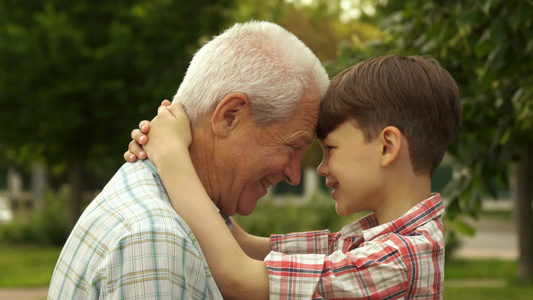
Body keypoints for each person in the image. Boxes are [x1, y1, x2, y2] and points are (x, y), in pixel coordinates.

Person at [126, 54, 462, 299]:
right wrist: (191, 156)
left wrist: (171, 156)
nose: (321, 168)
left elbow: (239, 278)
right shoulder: (367, 240)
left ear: (386, 146)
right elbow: (241, 246)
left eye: (330, 149)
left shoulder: (396, 261)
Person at [48, 20, 329, 299]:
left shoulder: (164, 213)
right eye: (293, 146)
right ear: (230, 116)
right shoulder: (156, 240)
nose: (295, 176)